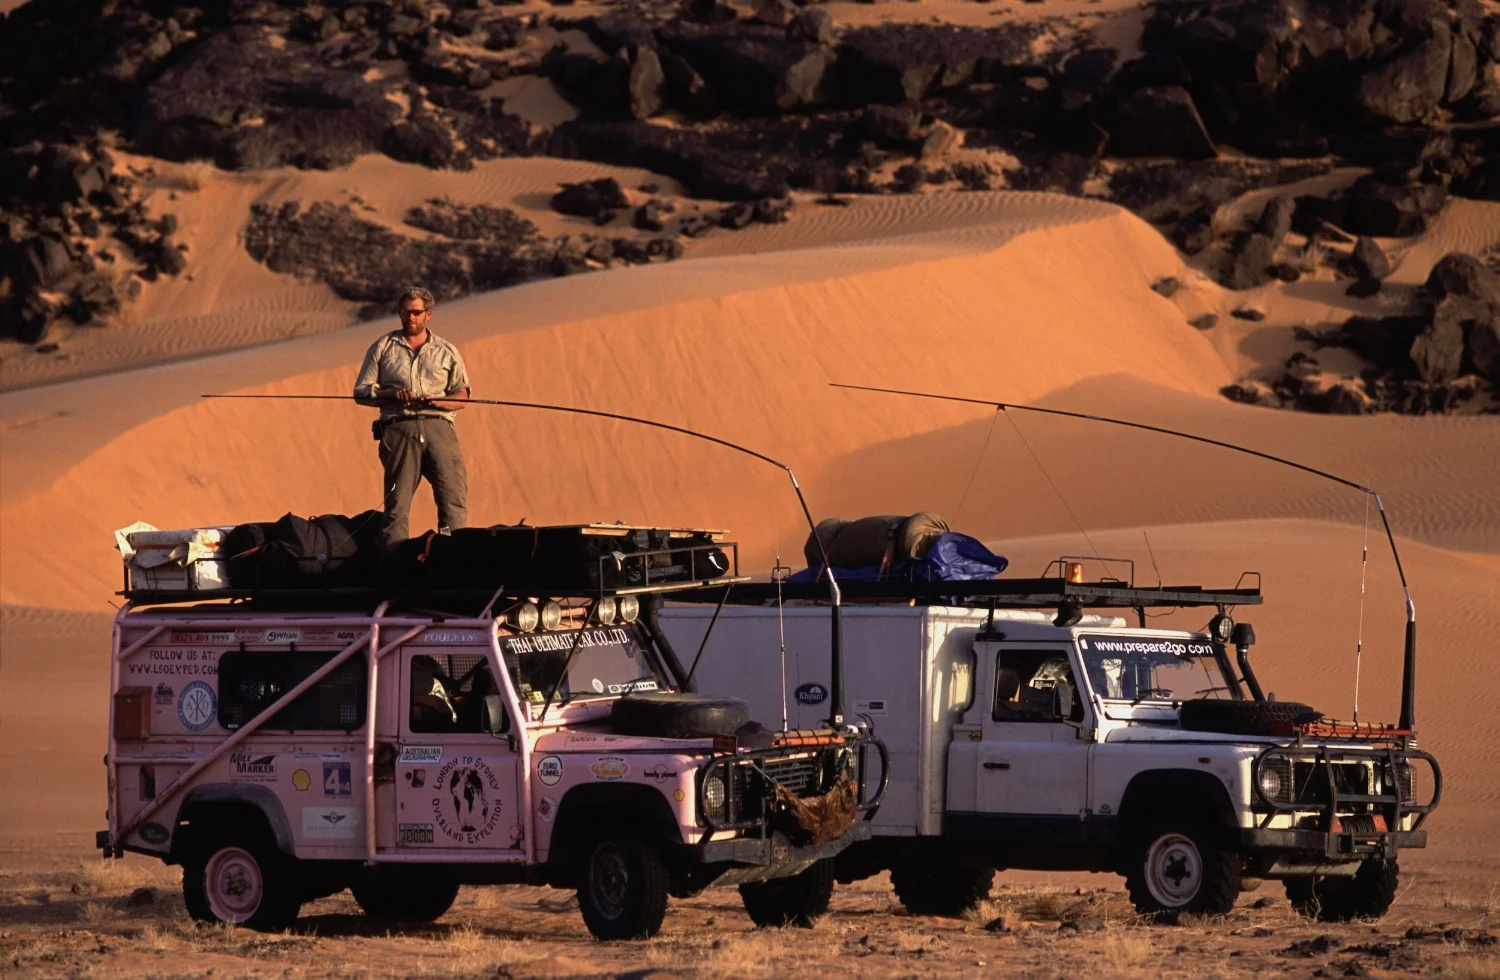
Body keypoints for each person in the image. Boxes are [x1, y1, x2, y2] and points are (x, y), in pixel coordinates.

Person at [353, 286, 470, 547]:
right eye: (405, 313)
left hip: (439, 427)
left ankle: (452, 563)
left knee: (452, 498)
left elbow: (462, 394)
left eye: (416, 313)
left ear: (428, 313)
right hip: (399, 428)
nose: (410, 318)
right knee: (397, 503)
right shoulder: (383, 347)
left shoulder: (446, 351)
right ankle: (394, 567)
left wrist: (440, 401)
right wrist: (391, 394)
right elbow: (361, 391)